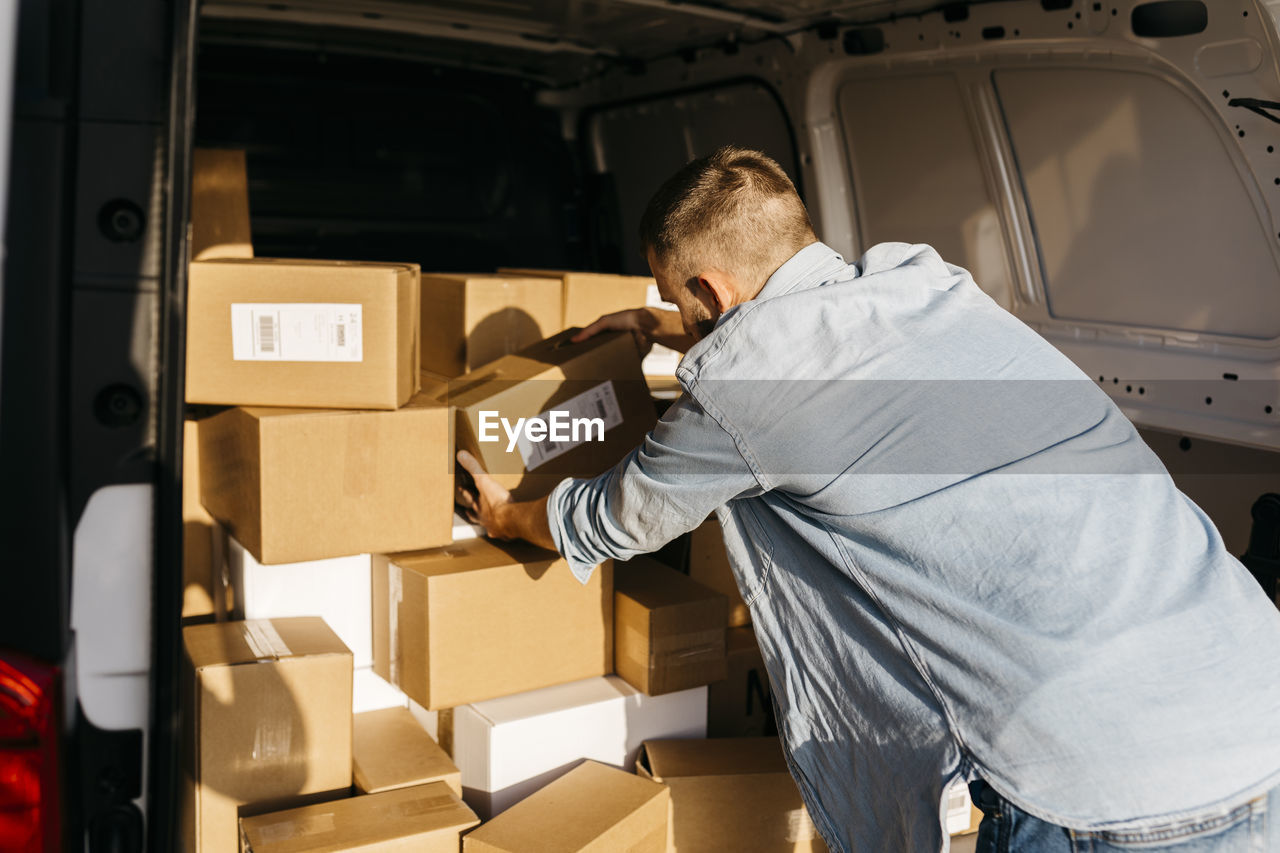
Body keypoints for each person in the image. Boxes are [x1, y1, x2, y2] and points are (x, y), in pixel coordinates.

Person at [454, 145, 1280, 852]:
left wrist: (503, 515)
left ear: (712, 289)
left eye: (678, 297)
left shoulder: (748, 386)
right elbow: (810, 334)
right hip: (1253, 699)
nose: (677, 312)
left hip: (1105, 786)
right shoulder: (930, 288)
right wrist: (666, 325)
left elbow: (617, 517)